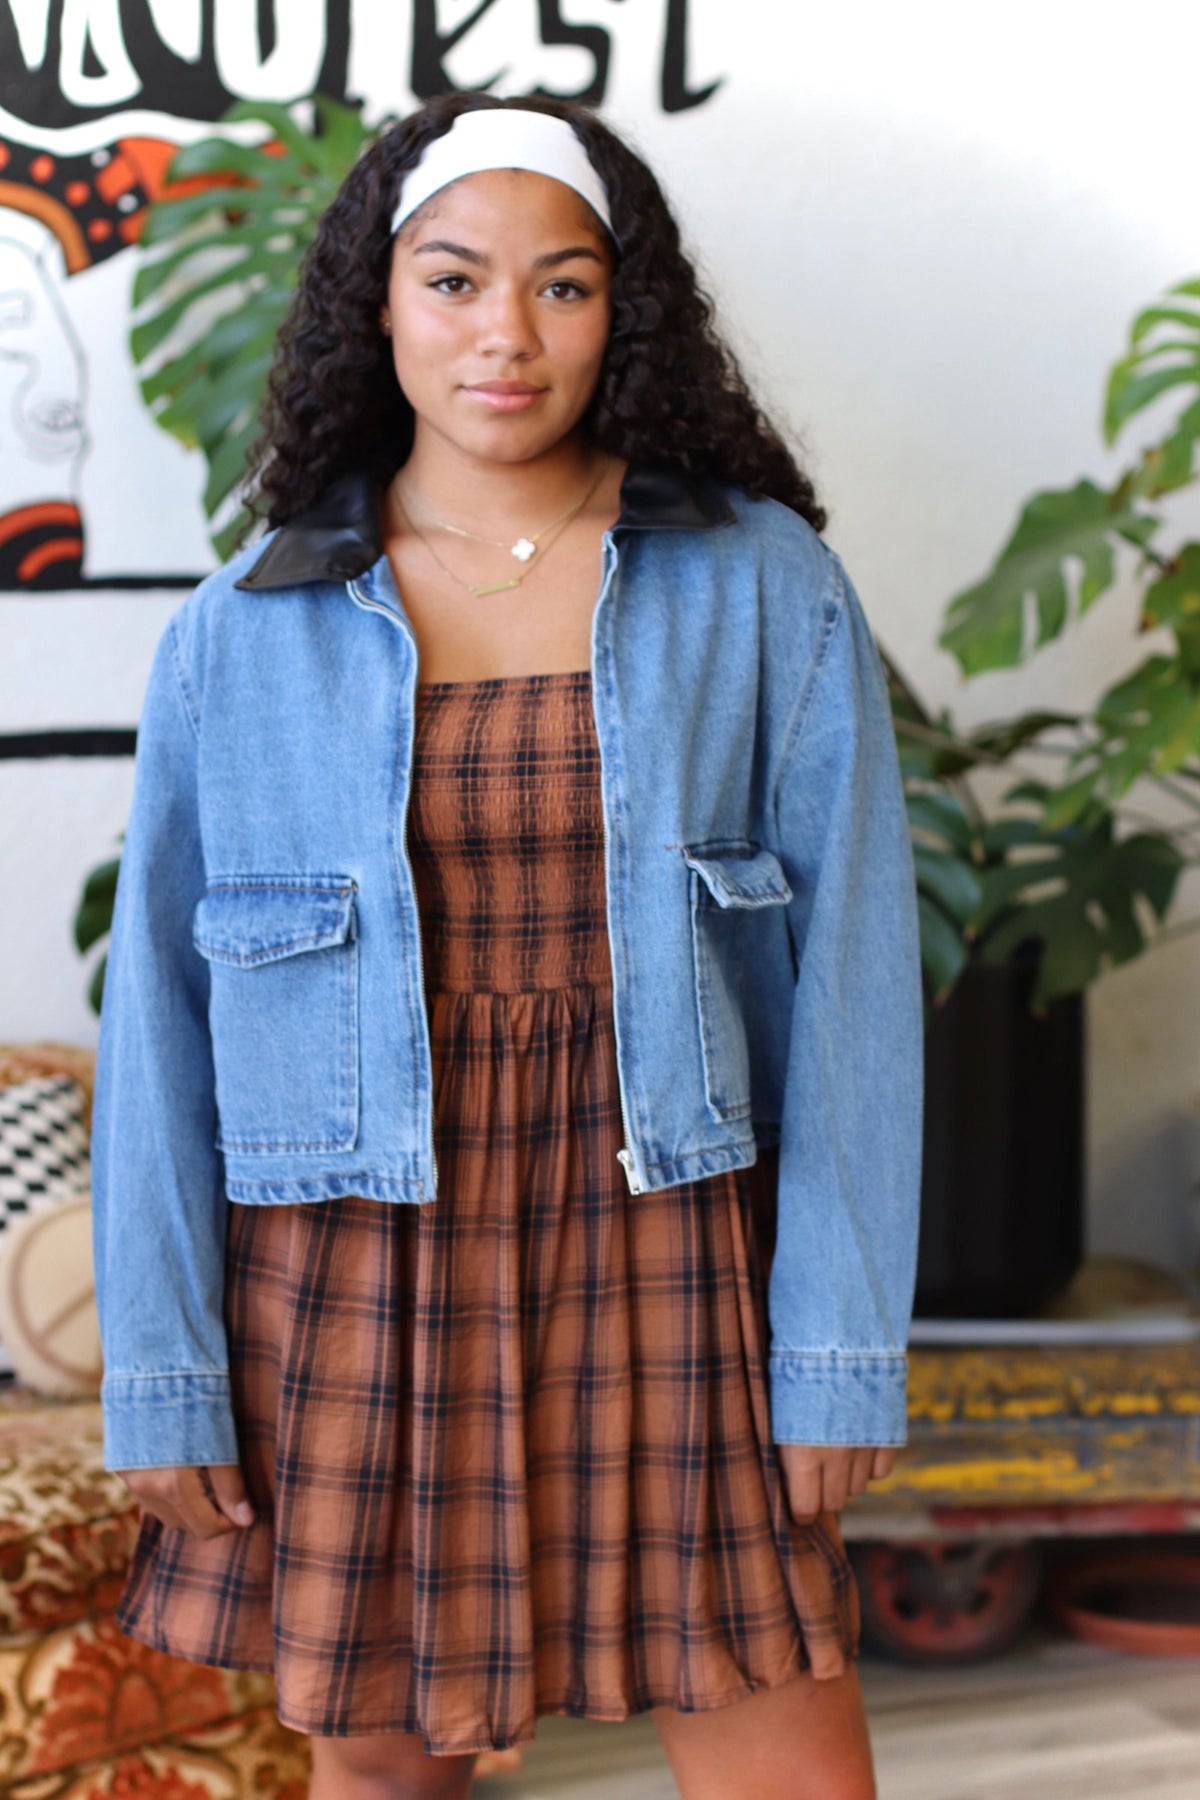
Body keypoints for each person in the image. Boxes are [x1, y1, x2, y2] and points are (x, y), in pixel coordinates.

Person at [90, 90, 924, 1800]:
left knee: (788, 1763)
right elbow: (159, 1033)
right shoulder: (243, 630)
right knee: (387, 1774)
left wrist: (838, 1349)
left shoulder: (759, 586)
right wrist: (164, 1377)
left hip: (670, 1237)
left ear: (626, 313)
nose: (505, 336)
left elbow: (853, 981)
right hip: (354, 1264)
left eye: (564, 285)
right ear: (379, 304)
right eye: (455, 280)